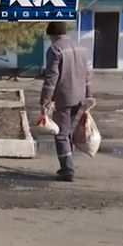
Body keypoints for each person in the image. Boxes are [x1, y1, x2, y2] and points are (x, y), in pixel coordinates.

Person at [40, 21, 92, 182]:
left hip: (64, 97)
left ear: (52, 35)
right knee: (68, 132)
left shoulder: (55, 49)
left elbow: (51, 77)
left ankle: (67, 169)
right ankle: (67, 164)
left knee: (61, 134)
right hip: (80, 97)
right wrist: (89, 95)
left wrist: (45, 100)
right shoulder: (80, 48)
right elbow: (87, 74)